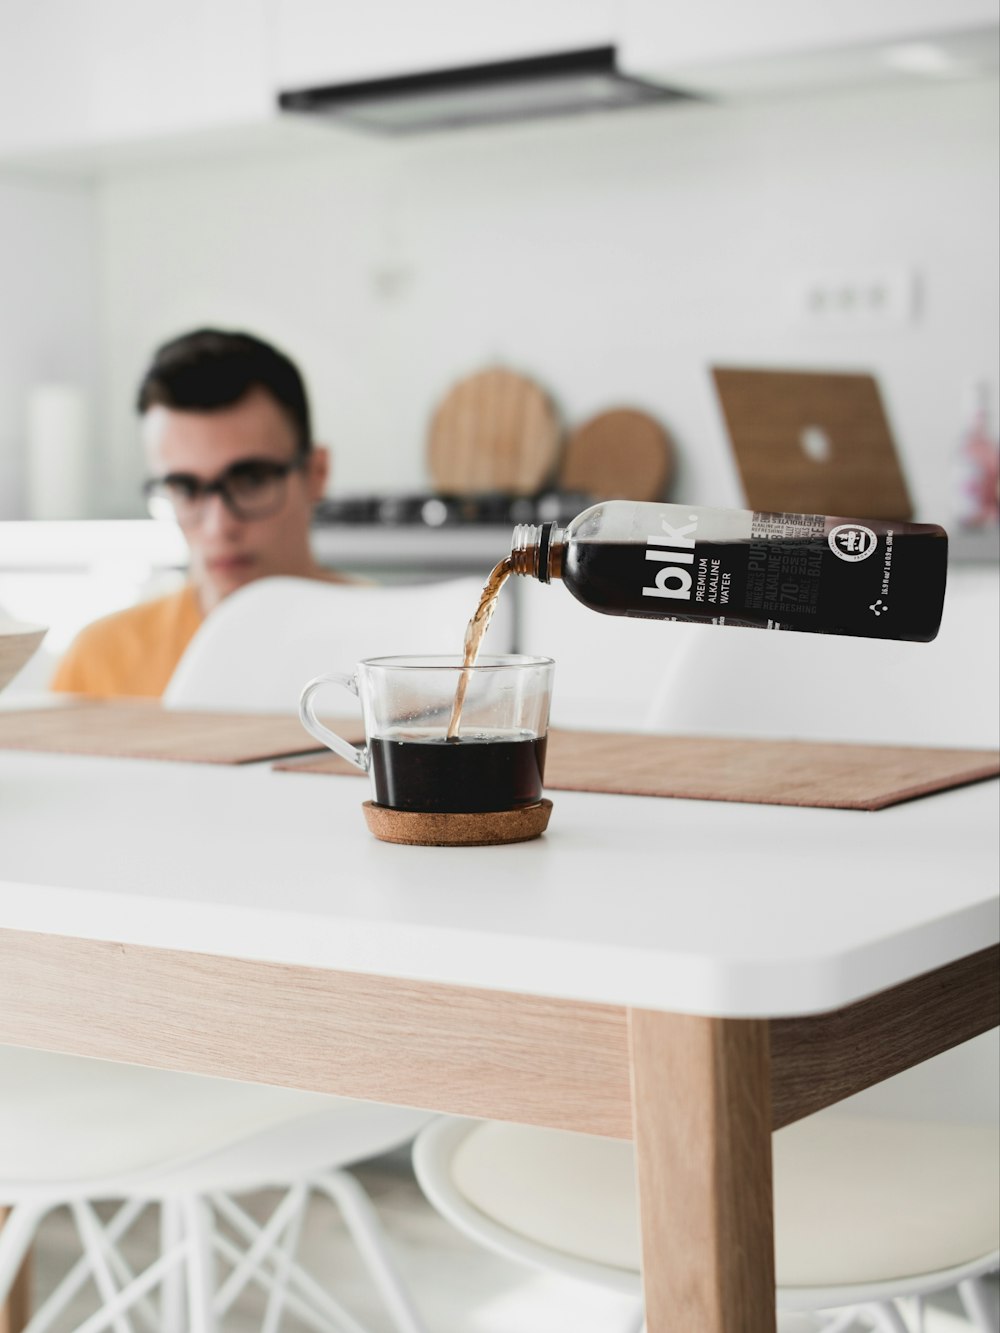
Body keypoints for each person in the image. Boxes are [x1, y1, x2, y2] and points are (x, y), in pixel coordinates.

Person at [51, 328, 348, 698]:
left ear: (315, 473)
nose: (219, 526)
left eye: (251, 480)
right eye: (186, 489)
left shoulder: (403, 653)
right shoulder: (100, 663)